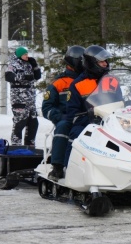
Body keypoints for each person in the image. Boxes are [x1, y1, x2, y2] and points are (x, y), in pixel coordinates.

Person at [49, 45, 120, 180]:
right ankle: (68, 167)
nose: (105, 64)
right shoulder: (78, 84)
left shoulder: (112, 81)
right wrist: (86, 115)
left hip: (111, 120)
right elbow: (72, 111)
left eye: (106, 61)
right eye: (101, 61)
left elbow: (120, 101)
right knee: (75, 134)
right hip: (87, 121)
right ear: (92, 63)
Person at [5, 47, 42, 146]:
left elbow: (38, 76)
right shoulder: (13, 64)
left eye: (27, 54)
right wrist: (24, 77)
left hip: (30, 99)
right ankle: (16, 145)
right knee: (20, 121)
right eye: (25, 54)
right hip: (19, 98)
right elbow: (8, 76)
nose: (27, 56)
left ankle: (30, 144)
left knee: (33, 123)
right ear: (19, 55)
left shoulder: (29, 64)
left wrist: (35, 65)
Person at [42, 45, 85, 126]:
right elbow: (46, 108)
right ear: (75, 62)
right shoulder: (59, 83)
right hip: (68, 123)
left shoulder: (89, 80)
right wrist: (62, 117)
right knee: (62, 133)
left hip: (89, 121)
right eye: (82, 61)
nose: (85, 64)